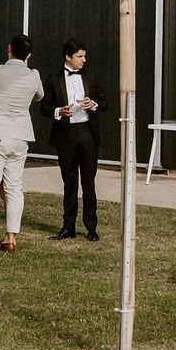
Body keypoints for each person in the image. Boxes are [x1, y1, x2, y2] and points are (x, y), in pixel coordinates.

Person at [0, 35, 43, 253]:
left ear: (8, 49)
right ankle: (11, 237)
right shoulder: (33, 75)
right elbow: (39, 96)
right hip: (20, 136)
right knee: (14, 187)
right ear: (29, 55)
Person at [39, 38, 103, 242]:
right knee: (69, 182)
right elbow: (43, 107)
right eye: (80, 56)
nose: (84, 60)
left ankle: (91, 228)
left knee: (89, 182)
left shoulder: (91, 76)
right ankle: (68, 227)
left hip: (87, 133)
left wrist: (93, 104)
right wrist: (59, 111)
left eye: (84, 56)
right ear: (68, 57)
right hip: (65, 135)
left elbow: (105, 102)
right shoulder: (53, 78)